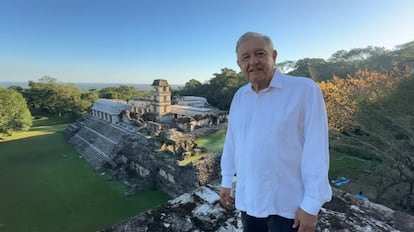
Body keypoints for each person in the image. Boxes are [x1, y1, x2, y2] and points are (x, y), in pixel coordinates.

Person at [220, 32, 332, 232]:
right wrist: (227, 179)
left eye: (260, 54)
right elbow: (232, 142)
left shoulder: (304, 90)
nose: (253, 62)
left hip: (288, 204)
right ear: (239, 64)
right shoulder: (240, 97)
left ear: (274, 56)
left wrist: (312, 205)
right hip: (249, 199)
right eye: (245, 57)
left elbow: (316, 150)